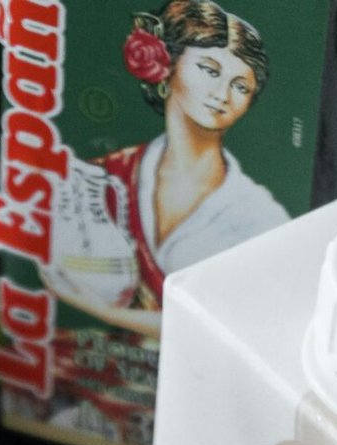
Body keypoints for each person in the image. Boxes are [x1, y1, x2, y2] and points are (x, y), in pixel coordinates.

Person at [52, 1, 288, 338]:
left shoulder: (262, 218)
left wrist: (97, 309)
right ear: (168, 66)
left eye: (241, 87)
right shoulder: (102, 178)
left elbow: (243, 325)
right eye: (209, 70)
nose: (222, 94)